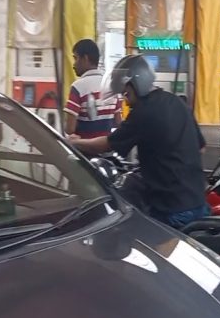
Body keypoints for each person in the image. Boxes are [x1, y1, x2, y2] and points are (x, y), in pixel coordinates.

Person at [68, 54, 209, 229]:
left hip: (171, 209)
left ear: (137, 83)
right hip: (198, 202)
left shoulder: (143, 111)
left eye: (126, 93)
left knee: (132, 233)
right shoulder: (177, 102)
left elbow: (106, 144)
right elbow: (201, 148)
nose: (126, 101)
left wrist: (75, 143)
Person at [65, 39, 122, 139]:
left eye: (76, 58)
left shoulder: (78, 87)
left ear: (85, 58)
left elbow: (69, 129)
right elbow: (118, 122)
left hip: (84, 147)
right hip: (106, 146)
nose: (74, 64)